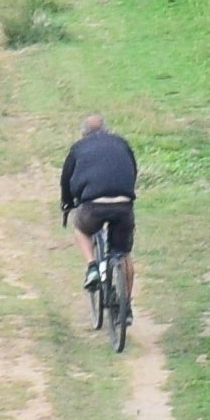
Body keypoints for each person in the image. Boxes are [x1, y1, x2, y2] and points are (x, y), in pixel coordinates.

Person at [57, 118, 138, 300]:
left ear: (84, 133)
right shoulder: (121, 143)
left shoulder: (78, 148)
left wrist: (67, 203)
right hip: (123, 203)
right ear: (107, 130)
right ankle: (126, 305)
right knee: (124, 253)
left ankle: (92, 266)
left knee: (81, 230)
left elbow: (66, 180)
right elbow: (133, 169)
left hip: (93, 204)